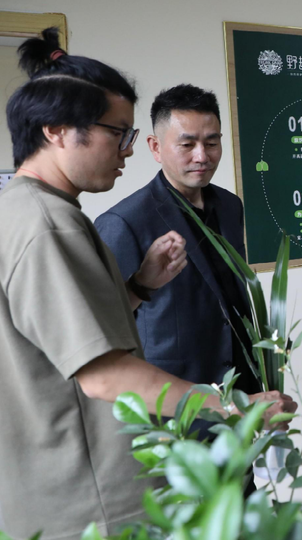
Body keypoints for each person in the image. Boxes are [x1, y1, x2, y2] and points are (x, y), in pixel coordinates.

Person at [0, 29, 294, 540]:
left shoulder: (37, 211)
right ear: (57, 130)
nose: (125, 151)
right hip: (93, 492)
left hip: (96, 479)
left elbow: (72, 330)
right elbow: (102, 373)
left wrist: (140, 287)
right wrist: (235, 405)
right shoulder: (49, 225)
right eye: (117, 133)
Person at [96, 84, 258, 396]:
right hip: (175, 396)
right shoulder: (123, 222)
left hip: (241, 387)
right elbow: (106, 323)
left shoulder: (230, 206)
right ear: (155, 147)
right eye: (187, 144)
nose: (202, 156)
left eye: (212, 143)